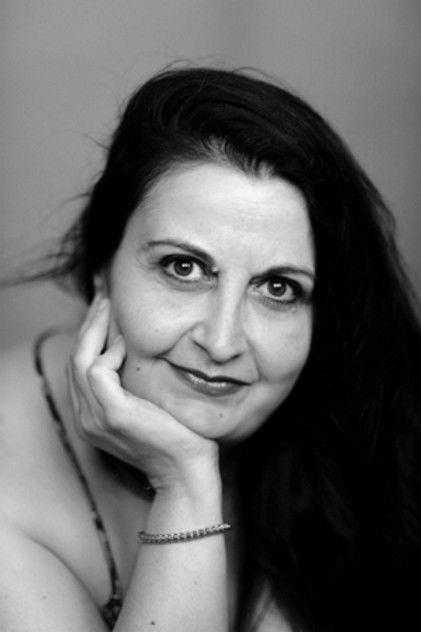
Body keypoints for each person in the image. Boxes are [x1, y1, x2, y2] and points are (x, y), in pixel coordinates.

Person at [0, 66, 420, 632]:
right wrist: (184, 485)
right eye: (184, 267)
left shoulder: (356, 431)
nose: (222, 343)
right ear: (102, 265)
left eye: (278, 288)